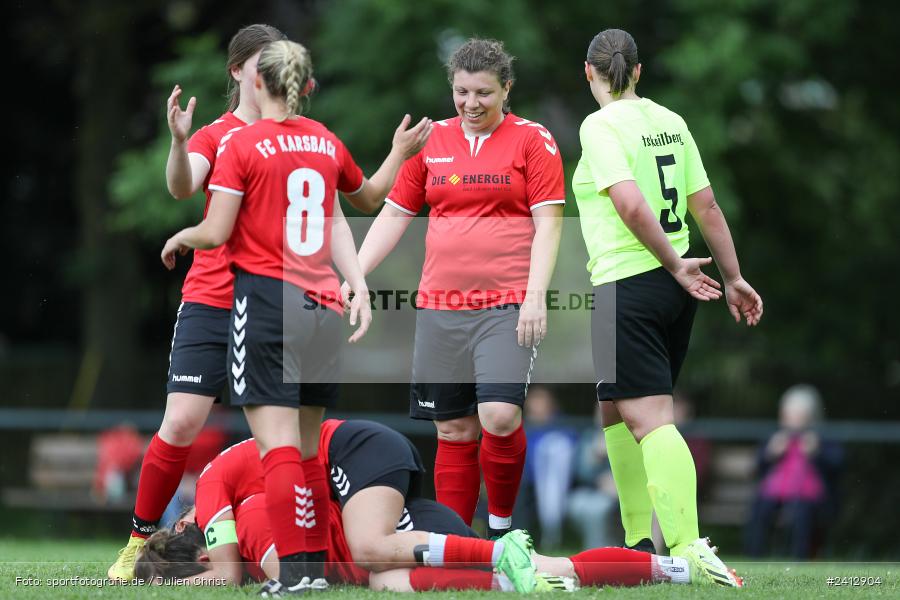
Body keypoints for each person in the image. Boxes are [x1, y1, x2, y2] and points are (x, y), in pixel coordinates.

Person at [158, 39, 431, 594]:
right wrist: (399, 151)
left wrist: (183, 236)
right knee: (307, 448)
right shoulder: (325, 142)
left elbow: (214, 231)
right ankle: (309, 576)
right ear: (306, 86)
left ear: (257, 84)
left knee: (276, 447)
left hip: (265, 304)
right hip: (322, 307)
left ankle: (299, 576)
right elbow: (369, 197)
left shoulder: (244, 143)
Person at [344, 38, 565, 539]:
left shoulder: (534, 140)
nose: (470, 103)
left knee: (499, 415)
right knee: (453, 430)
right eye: (461, 92)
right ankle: (455, 543)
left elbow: (550, 225)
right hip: (440, 307)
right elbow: (396, 214)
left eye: (483, 93)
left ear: (506, 89)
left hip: (506, 303)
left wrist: (535, 296)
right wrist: (354, 275)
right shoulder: (432, 142)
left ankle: (503, 528)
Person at [135, 419, 742, 590]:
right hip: (393, 512)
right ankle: (671, 567)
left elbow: (232, 570)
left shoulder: (230, 501)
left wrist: (156, 573)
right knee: (389, 582)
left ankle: (499, 547)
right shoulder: (253, 520)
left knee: (370, 553)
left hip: (354, 452)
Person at [572, 28, 763, 565]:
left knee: (651, 418)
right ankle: (637, 543)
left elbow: (631, 207)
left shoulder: (599, 125)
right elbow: (707, 208)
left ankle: (688, 549)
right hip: (671, 290)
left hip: (630, 282)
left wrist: (676, 264)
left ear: (589, 72)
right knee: (614, 409)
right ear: (638, 71)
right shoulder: (671, 122)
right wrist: (734, 276)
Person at [108, 24, 288, 581]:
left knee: (278, 437)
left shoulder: (297, 136)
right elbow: (182, 188)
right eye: (261, 64)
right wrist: (180, 142)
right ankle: (138, 543)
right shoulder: (218, 133)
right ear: (237, 72)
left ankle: (289, 546)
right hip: (212, 298)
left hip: (273, 303)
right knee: (182, 422)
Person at [744, 384, 843, 558]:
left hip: (810, 499)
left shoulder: (821, 438)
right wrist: (771, 453)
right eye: (788, 414)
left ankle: (800, 559)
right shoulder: (775, 437)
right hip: (773, 496)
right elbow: (757, 467)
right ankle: (754, 557)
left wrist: (816, 453)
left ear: (810, 416)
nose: (792, 420)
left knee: (802, 512)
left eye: (798, 415)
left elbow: (837, 467)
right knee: (759, 509)